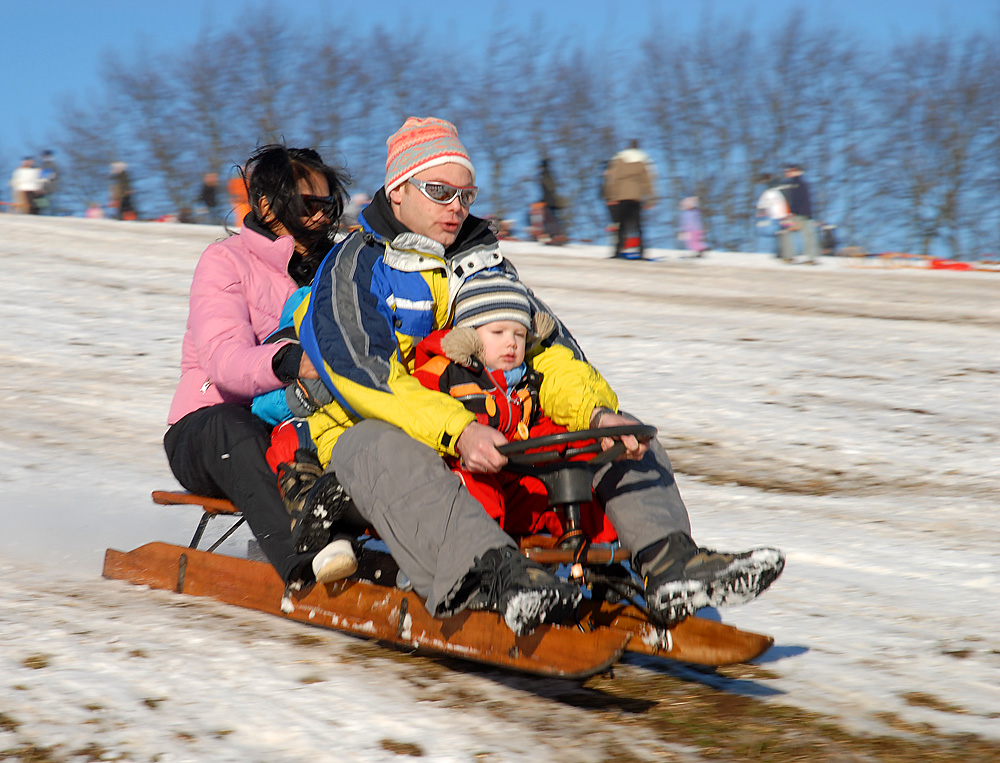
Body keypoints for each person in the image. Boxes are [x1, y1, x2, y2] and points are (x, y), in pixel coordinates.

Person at [288, 116, 784, 638]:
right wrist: (458, 429)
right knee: (375, 442)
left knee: (622, 433)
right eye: (439, 191)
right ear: (397, 190)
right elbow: (362, 374)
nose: (456, 205)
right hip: (376, 441)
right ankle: (495, 575)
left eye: (466, 193)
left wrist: (597, 412)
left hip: (496, 425)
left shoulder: (487, 266)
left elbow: (552, 354)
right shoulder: (356, 265)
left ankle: (670, 565)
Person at [163, 144, 356, 589]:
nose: (322, 216)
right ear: (266, 204)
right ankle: (303, 564)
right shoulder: (225, 260)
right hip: (209, 430)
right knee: (237, 431)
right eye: (309, 203)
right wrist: (291, 361)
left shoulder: (338, 269)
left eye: (328, 204)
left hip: (299, 419)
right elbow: (223, 359)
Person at [412, 270, 616, 544]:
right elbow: (423, 414)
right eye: (498, 332)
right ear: (470, 336)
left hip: (516, 476)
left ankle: (603, 553)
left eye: (519, 335)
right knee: (475, 489)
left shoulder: (525, 381)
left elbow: (537, 428)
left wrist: (568, 446)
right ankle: (486, 554)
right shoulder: (444, 373)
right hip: (468, 469)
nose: (511, 342)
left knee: (568, 478)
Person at [603, 140, 657, 259]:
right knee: (637, 226)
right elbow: (647, 181)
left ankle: (617, 252)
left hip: (621, 196)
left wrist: (610, 196)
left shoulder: (619, 159)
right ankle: (642, 252)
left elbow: (613, 179)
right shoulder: (643, 160)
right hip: (635, 197)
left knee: (621, 226)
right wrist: (650, 199)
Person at [783, 163, 819, 263]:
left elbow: (796, 199)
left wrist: (792, 212)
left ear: (794, 171)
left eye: (788, 171)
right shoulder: (803, 183)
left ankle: (788, 256)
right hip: (805, 214)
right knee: (808, 235)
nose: (786, 173)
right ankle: (811, 258)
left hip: (796, 215)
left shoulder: (795, 184)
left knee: (786, 231)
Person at [754, 173, 792, 260]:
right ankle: (782, 252)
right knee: (782, 232)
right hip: (784, 213)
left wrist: (761, 210)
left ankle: (783, 252)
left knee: (782, 233)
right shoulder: (778, 184)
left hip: (781, 213)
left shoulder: (772, 187)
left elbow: (767, 200)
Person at [537, 158, 567, 244]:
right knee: (551, 218)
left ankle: (555, 235)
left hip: (549, 201)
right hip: (549, 200)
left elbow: (549, 188)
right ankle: (556, 234)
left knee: (549, 219)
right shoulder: (548, 174)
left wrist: (546, 199)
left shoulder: (545, 175)